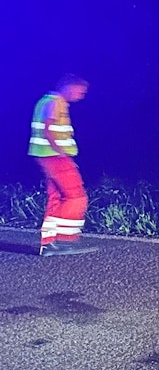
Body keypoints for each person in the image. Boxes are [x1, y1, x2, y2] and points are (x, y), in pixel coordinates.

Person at [29, 75, 96, 256]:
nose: (81, 95)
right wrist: (60, 152)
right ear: (68, 87)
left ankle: (49, 243)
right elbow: (48, 127)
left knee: (56, 198)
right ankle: (65, 240)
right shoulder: (55, 102)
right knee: (76, 197)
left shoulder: (47, 101)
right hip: (54, 157)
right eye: (79, 91)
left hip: (46, 156)